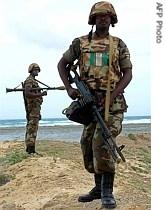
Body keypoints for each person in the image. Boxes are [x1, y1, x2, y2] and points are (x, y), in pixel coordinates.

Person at [57, 1, 132, 209]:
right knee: (87, 145)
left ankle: (107, 192)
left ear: (112, 19)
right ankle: (98, 188)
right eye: (99, 16)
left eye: (107, 16)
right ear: (93, 19)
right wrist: (69, 89)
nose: (103, 19)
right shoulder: (80, 43)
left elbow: (128, 74)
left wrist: (112, 95)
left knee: (103, 142)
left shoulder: (118, 44)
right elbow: (62, 65)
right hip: (88, 103)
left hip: (112, 104)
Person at [23, 63, 47, 154]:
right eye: (35, 69)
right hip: (32, 108)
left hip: (35, 108)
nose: (37, 71)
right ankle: (30, 150)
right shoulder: (29, 81)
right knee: (32, 128)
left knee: (33, 128)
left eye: (38, 69)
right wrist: (41, 94)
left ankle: (31, 149)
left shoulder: (33, 81)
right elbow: (27, 93)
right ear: (31, 70)